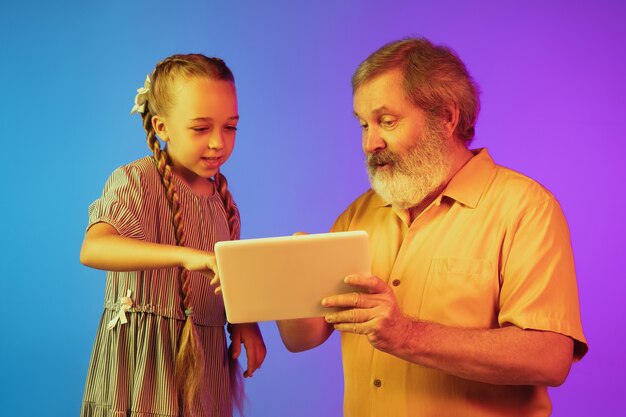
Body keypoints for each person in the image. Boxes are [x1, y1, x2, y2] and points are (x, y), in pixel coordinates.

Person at [276, 38, 588, 416]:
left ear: (446, 117)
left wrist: (407, 336)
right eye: (363, 124)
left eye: (386, 121)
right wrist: (289, 277)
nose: (370, 143)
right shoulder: (359, 213)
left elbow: (549, 359)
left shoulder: (526, 209)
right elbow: (303, 338)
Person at [80, 54, 266, 417]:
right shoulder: (137, 181)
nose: (218, 143)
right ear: (161, 127)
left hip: (203, 367)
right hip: (144, 367)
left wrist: (245, 319)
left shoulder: (224, 206)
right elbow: (93, 248)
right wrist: (184, 255)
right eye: (201, 128)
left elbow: (225, 281)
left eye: (230, 128)